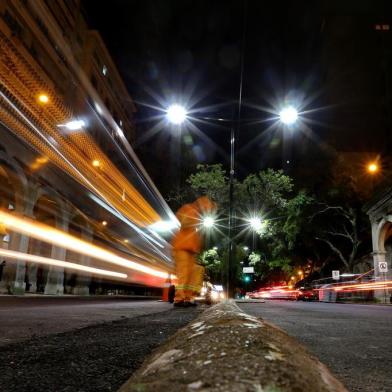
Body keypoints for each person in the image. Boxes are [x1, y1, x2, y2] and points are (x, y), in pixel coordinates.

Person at [171, 196, 216, 307]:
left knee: (191, 276)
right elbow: (185, 223)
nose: (207, 211)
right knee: (183, 275)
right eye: (207, 208)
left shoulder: (197, 215)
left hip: (191, 250)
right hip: (182, 248)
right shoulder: (189, 209)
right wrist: (196, 217)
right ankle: (179, 299)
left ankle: (188, 298)